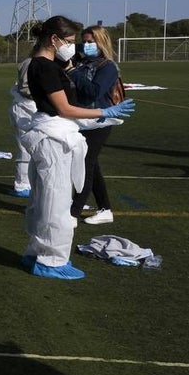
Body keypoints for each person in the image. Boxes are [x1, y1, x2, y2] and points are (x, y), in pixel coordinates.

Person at [21, 16, 136, 280]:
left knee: (44, 200)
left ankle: (35, 253)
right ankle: (51, 260)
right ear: (54, 39)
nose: (73, 46)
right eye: (70, 41)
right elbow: (64, 109)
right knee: (57, 203)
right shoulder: (45, 68)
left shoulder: (46, 64)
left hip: (52, 133)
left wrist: (99, 116)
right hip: (54, 140)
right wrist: (103, 111)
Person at [69, 25, 122, 225]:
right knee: (92, 165)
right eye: (85, 41)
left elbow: (94, 92)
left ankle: (73, 212)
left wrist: (72, 72)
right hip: (82, 119)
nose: (87, 45)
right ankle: (105, 209)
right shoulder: (83, 63)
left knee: (85, 164)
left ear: (101, 42)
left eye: (91, 42)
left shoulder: (108, 67)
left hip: (99, 121)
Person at [8, 56, 36, 197]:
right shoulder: (30, 62)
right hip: (25, 109)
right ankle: (22, 184)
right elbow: (25, 88)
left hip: (39, 109)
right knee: (25, 148)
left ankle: (33, 182)